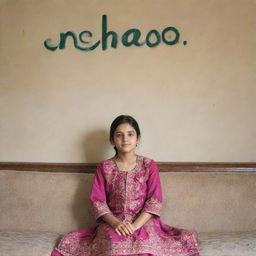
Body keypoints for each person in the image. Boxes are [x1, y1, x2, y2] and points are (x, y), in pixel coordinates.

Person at [51, 115, 201, 256]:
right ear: (112, 140)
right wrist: (116, 224)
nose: (125, 139)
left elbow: (154, 201)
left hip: (144, 221)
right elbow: (97, 202)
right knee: (111, 246)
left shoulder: (149, 165)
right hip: (112, 222)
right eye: (119, 135)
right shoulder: (104, 167)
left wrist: (135, 226)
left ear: (138, 138)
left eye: (130, 134)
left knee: (145, 246)